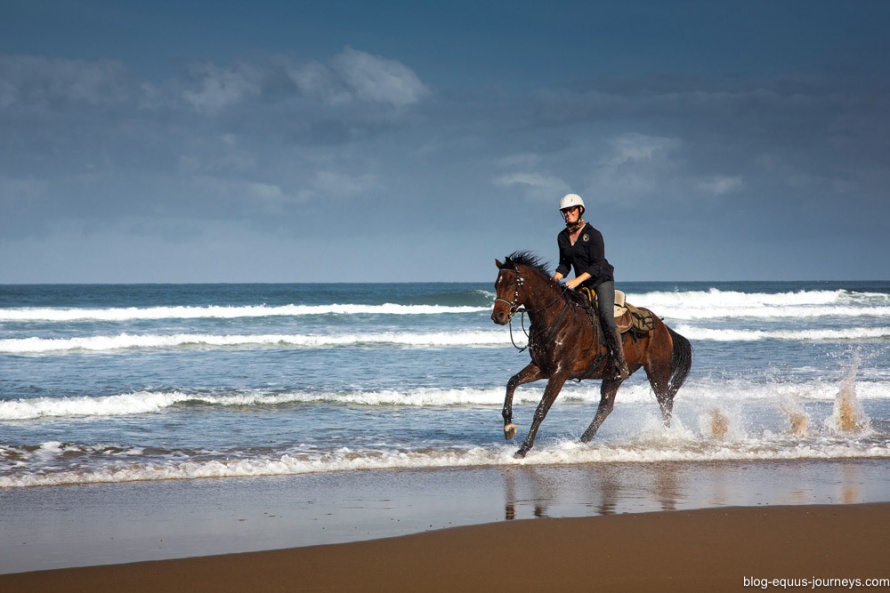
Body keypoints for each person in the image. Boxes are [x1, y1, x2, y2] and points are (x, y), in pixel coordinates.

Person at [551, 193, 630, 380]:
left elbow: (597, 265)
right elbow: (565, 264)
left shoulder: (593, 235)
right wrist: (555, 278)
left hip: (601, 279)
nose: (568, 214)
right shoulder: (562, 237)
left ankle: (621, 363)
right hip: (582, 281)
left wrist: (576, 281)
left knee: (605, 317)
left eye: (571, 210)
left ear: (580, 210)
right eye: (565, 211)